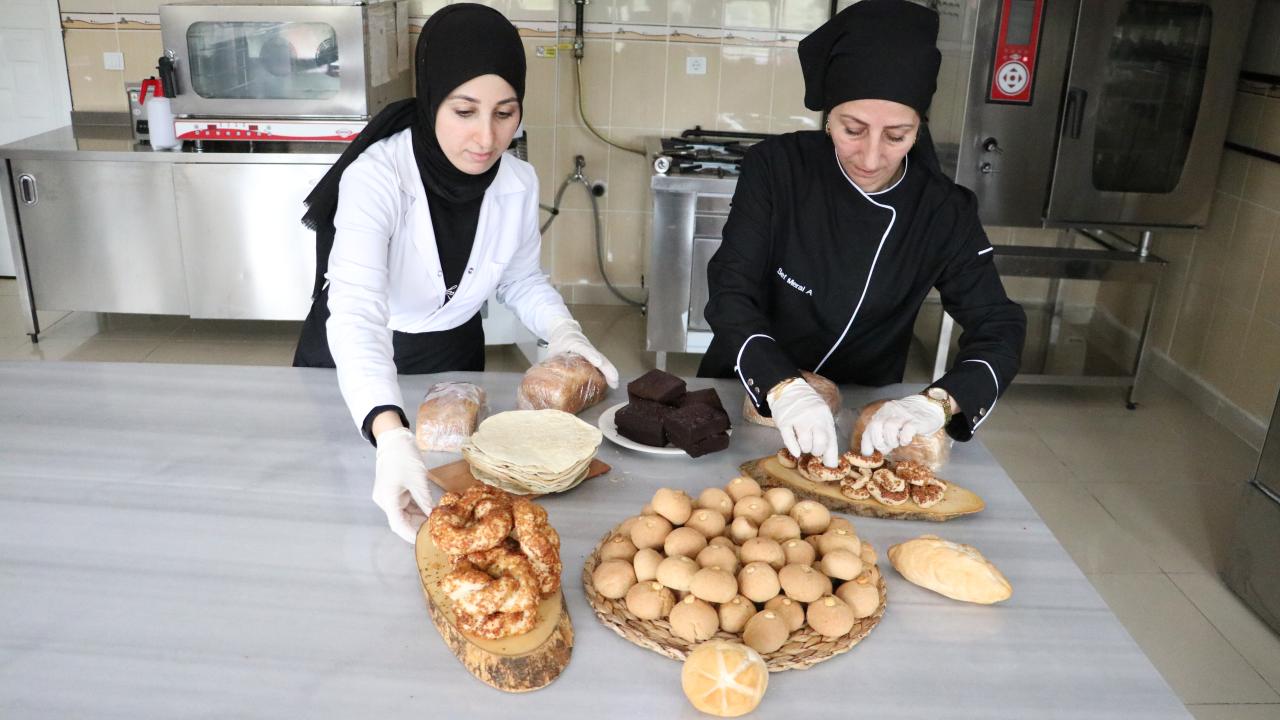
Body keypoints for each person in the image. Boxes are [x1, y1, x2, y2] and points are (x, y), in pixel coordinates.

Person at [293, 4, 617, 542]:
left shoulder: (517, 180)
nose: (486, 139)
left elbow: (520, 280)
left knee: (459, 521)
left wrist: (564, 332)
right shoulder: (378, 177)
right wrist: (389, 431)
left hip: (450, 358)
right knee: (348, 514)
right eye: (464, 111)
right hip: (352, 357)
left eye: (505, 112)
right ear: (431, 100)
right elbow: (355, 314)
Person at [697, 0, 1025, 466]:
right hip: (749, 395)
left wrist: (940, 400)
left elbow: (1000, 325)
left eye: (896, 136)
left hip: (863, 420)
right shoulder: (777, 168)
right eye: (853, 130)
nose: (870, 159)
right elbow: (731, 289)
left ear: (918, 129)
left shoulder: (943, 210)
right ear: (828, 117)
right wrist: (783, 386)